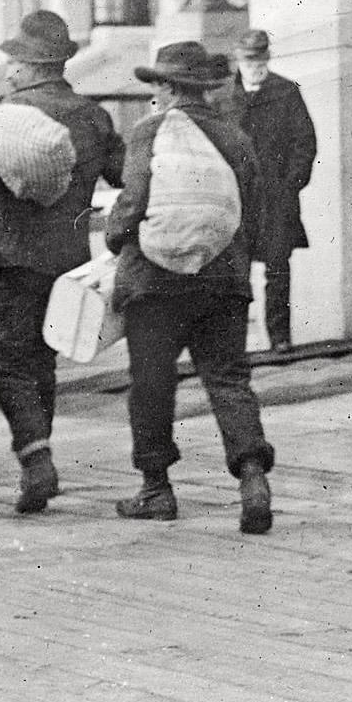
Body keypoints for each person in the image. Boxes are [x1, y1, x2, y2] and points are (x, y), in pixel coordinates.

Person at [0, 10, 124, 514]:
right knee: (44, 357)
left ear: (31, 66)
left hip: (9, 255)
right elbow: (118, 170)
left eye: (13, 62)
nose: (7, 72)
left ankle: (35, 458)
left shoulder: (10, 113)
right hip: (67, 259)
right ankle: (38, 456)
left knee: (7, 359)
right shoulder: (93, 115)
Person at [104, 41, 275, 533]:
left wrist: (118, 238)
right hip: (223, 279)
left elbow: (134, 200)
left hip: (155, 282)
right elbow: (253, 210)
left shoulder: (148, 132)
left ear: (167, 87)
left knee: (152, 382)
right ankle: (252, 477)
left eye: (156, 83)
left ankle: (156, 490)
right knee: (227, 378)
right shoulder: (235, 136)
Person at [225, 29, 316, 356]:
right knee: (237, 273)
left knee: (278, 269)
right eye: (249, 60)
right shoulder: (223, 97)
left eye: (261, 59)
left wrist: (291, 182)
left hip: (277, 199)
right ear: (238, 60)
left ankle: (280, 337)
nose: (255, 66)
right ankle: (233, 342)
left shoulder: (286, 92)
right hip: (237, 201)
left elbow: (304, 143)